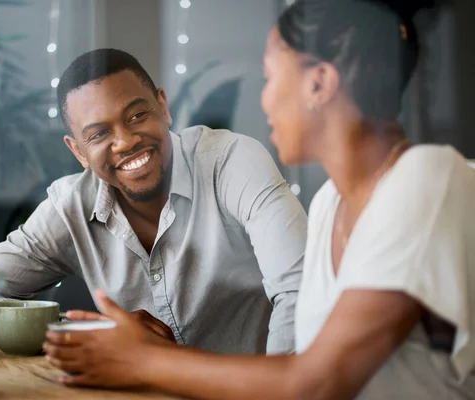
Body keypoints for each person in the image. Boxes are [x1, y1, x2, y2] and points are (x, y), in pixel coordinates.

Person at [42, 1, 475, 398]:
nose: (264, 99)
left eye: (270, 77)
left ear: (319, 83)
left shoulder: (425, 179)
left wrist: (142, 359)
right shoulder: (328, 204)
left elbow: (319, 383)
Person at [0, 48, 308, 355]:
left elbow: (299, 292)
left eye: (136, 116)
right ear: (78, 151)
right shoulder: (70, 207)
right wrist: (95, 331)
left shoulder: (231, 163)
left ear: (163, 107)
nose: (126, 141)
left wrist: (277, 387)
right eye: (99, 134)